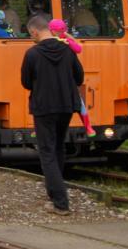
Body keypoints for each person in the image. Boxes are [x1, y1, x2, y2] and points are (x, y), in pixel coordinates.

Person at [20, 14, 84, 215]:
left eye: (32, 34)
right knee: (58, 149)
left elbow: (26, 83)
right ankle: (53, 194)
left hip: (44, 107)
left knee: (47, 152)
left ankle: (60, 202)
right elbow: (79, 77)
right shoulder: (67, 50)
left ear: (35, 31)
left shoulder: (32, 54)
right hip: (66, 106)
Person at [49, 18, 96, 138]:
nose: (60, 33)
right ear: (52, 31)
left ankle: (88, 126)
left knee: (79, 104)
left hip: (65, 78)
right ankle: (37, 127)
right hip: (55, 77)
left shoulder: (66, 39)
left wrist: (68, 42)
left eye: (62, 31)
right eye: (58, 31)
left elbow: (78, 49)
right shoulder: (48, 41)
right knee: (46, 103)